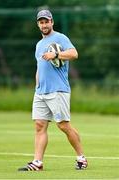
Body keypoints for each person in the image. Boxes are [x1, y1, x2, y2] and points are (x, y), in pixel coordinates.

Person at [18, 9, 88, 171]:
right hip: (41, 92)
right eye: (41, 22)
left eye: (46, 21)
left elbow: (74, 53)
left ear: (52, 22)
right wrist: (37, 87)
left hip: (58, 90)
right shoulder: (38, 45)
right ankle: (37, 162)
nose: (44, 24)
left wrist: (55, 54)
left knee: (64, 125)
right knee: (39, 125)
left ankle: (81, 157)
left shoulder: (60, 38)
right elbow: (39, 68)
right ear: (38, 24)